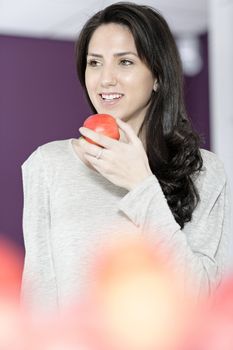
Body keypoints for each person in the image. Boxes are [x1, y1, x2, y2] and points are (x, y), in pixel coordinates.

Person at [21, 2, 231, 312]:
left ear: (157, 75)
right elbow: (38, 294)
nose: (105, 79)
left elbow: (204, 300)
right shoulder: (48, 164)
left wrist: (142, 185)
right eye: (95, 62)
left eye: (125, 62)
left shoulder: (204, 171)